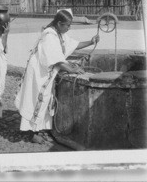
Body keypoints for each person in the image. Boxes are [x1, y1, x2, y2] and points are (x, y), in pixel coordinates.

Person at [14, 9, 100, 144]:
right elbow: (56, 60)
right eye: (68, 25)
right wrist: (72, 69)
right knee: (36, 99)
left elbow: (74, 44)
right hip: (39, 71)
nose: (69, 28)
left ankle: (39, 129)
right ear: (60, 23)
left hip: (46, 71)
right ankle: (31, 133)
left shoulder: (59, 33)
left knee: (46, 100)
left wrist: (91, 41)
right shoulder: (49, 35)